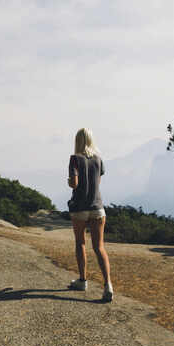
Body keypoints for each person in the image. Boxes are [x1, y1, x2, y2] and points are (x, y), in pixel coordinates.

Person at [67, 127, 113, 302]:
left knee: (80, 243)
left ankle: (83, 280)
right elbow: (97, 184)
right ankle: (108, 284)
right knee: (99, 247)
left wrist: (70, 181)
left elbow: (74, 184)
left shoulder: (75, 159)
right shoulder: (99, 160)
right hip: (97, 207)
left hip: (80, 208)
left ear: (77, 141)